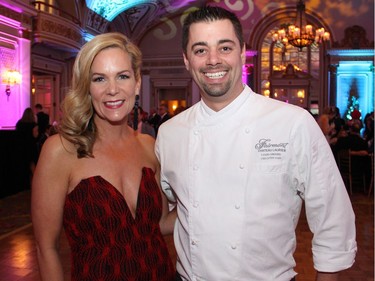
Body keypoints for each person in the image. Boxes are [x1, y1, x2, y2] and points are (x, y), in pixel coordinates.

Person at [155, 6, 357, 281]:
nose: (213, 60)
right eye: (200, 50)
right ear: (187, 60)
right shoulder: (169, 134)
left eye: (224, 48)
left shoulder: (293, 123)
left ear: (241, 52)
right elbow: (169, 210)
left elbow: (333, 215)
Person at [31, 32, 176, 281]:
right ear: (87, 87)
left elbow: (160, 224)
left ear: (137, 82)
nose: (112, 89)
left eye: (122, 76)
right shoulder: (61, 150)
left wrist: (208, 199)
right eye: (99, 79)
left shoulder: (149, 145)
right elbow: (46, 249)